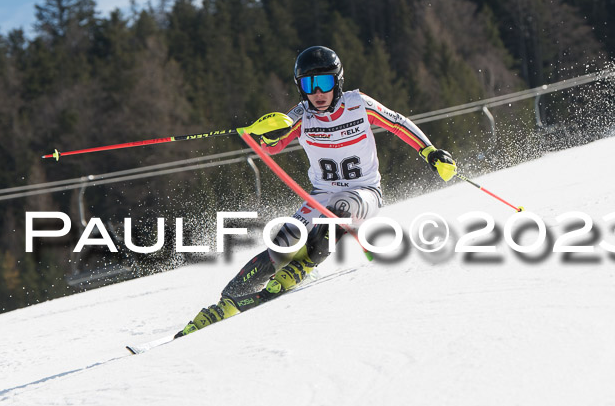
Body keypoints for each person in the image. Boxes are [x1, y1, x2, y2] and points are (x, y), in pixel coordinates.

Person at [176, 46, 456, 337]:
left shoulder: (358, 104)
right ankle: (226, 302)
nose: (318, 92)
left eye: (325, 82)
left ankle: (304, 265)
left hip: (365, 192)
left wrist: (431, 152)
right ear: (301, 87)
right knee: (285, 240)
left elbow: (397, 123)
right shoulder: (300, 116)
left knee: (340, 210)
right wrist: (258, 132)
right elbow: (272, 147)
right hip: (320, 194)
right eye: (310, 85)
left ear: (338, 82)